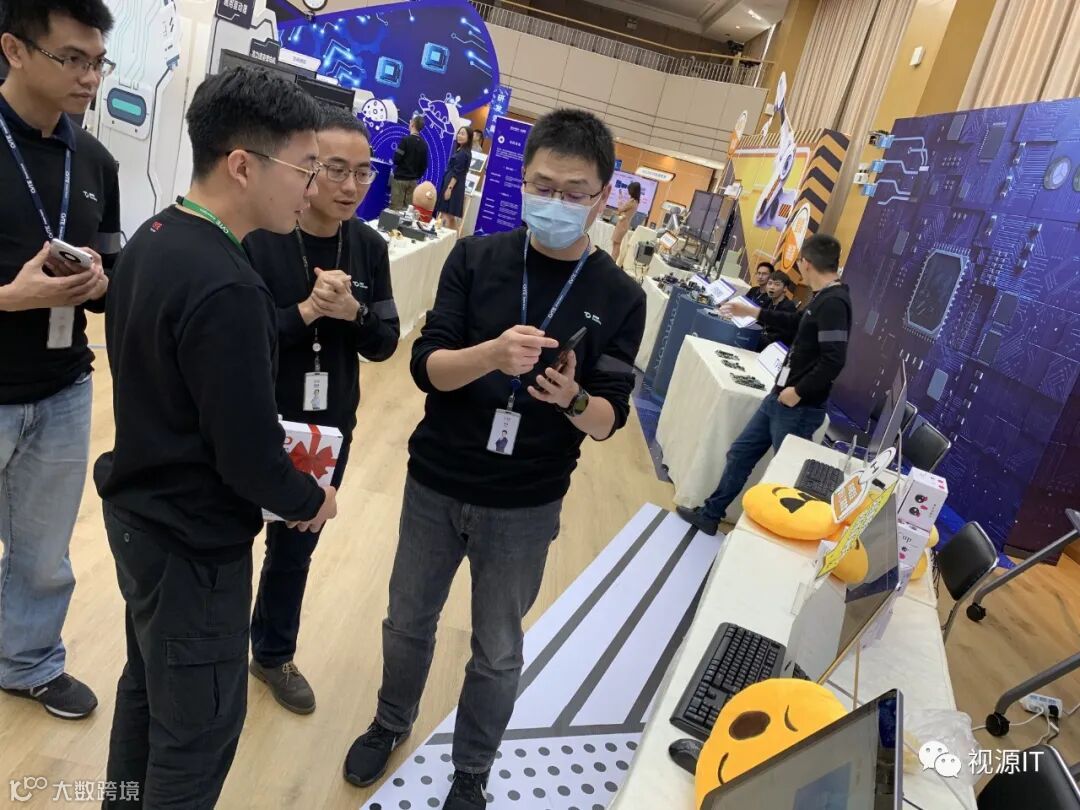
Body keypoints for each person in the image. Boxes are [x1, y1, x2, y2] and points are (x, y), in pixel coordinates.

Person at [343, 108, 646, 809]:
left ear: (603, 196)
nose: (557, 202)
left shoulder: (619, 296)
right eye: (543, 186)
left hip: (527, 500)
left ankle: (472, 771)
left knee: (499, 648)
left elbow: (609, 420)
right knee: (407, 619)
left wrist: (572, 398)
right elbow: (426, 367)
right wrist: (490, 354)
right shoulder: (476, 258)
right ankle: (391, 721)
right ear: (523, 179)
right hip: (438, 478)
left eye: (575, 192)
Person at [93, 67, 339, 807]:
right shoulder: (228, 284)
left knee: (147, 693)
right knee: (196, 736)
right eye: (305, 168)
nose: (311, 189)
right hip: (192, 544)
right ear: (242, 164)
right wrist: (310, 499)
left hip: (140, 516)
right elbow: (246, 455)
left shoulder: (155, 237)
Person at [243, 105, 400, 715]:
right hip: (254, 412)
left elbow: (385, 342)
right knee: (228, 533)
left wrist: (352, 313)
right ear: (307, 168)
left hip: (326, 425)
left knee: (297, 544)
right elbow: (244, 337)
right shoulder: (262, 236)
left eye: (363, 172)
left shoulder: (369, 247)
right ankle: (214, 647)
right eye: (335, 169)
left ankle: (273, 653)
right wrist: (307, 311)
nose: (350, 185)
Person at [0, 0, 119, 721]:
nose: (89, 77)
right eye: (72, 58)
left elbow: (114, 271)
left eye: (98, 62)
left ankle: (28, 662)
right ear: (14, 50)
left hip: (64, 387)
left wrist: (101, 284)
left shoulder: (95, 160)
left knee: (44, 552)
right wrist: (10, 296)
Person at [678, 234, 850, 536]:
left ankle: (779, 536)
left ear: (806, 263)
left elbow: (834, 360)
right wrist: (753, 312)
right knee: (740, 454)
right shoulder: (823, 297)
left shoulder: (835, 303)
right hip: (779, 398)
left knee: (786, 476)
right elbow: (796, 324)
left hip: (798, 407)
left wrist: (798, 391)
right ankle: (710, 514)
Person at [435, 125, 471, 232]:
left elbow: (457, 173)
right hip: (452, 183)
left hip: (453, 186)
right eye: (459, 133)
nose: (459, 135)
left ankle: (448, 238)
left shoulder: (463, 153)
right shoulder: (461, 150)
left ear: (469, 137)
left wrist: (449, 188)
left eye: (463, 134)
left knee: (447, 215)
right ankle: (452, 238)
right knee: (448, 216)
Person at [390, 114, 428, 211]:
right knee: (407, 211)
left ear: (412, 124)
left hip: (400, 179)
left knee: (395, 209)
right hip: (413, 181)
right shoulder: (424, 145)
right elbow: (424, 165)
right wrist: (416, 176)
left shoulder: (405, 140)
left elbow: (396, 159)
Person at [759, 270, 798, 349]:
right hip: (764, 340)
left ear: (785, 288)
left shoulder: (788, 307)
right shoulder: (767, 301)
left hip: (777, 346)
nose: (772, 287)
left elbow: (783, 335)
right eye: (770, 283)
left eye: (777, 284)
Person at [610, 180, 640, 263]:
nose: (628, 191)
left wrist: (620, 198)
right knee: (616, 244)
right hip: (623, 224)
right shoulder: (635, 201)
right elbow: (623, 211)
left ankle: (612, 261)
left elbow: (620, 209)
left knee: (616, 244)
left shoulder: (632, 201)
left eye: (630, 189)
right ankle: (613, 261)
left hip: (622, 225)